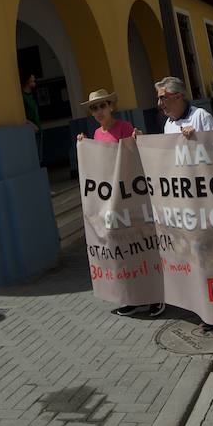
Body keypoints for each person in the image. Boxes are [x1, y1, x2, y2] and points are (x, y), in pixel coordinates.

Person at [77, 90, 161, 318]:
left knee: (142, 245)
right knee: (122, 251)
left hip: (131, 199)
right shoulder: (95, 133)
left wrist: (138, 138)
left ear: (111, 106)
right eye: (94, 108)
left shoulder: (124, 128)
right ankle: (131, 298)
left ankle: (155, 297)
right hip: (112, 204)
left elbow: (135, 154)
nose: (98, 112)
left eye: (101, 106)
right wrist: (85, 146)